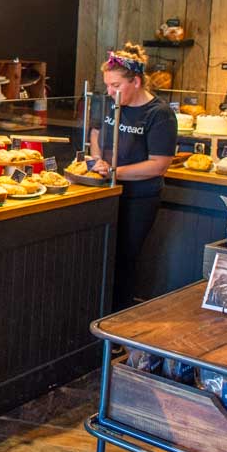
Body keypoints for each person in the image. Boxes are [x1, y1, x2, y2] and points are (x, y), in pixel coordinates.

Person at [88, 42, 177, 312]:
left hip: (138, 198)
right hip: (106, 192)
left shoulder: (159, 114)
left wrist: (115, 172)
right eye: (107, 85)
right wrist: (98, 160)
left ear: (136, 81)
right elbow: (95, 132)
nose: (110, 92)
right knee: (102, 258)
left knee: (124, 260)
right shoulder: (111, 104)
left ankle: (118, 320)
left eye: (116, 85)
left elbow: (158, 165)